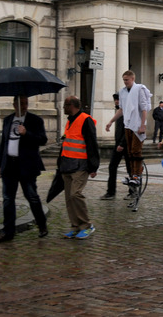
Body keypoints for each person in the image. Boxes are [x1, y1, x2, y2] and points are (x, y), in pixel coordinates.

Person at [0, 95, 48, 243]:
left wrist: (26, 133)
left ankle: (42, 225)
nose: (24, 106)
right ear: (14, 105)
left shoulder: (35, 120)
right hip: (9, 165)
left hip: (26, 166)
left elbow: (42, 140)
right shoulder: (7, 120)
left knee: (32, 196)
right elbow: (4, 143)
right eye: (21, 103)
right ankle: (8, 232)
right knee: (7, 199)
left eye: (26, 103)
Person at [60, 96, 100, 239]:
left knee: (75, 194)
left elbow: (92, 143)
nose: (64, 107)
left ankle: (87, 226)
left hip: (80, 165)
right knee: (69, 198)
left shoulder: (85, 120)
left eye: (66, 104)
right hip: (67, 164)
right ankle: (75, 226)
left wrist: (93, 167)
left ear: (73, 105)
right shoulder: (69, 121)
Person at [106, 70, 152, 187]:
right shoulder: (122, 92)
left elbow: (144, 108)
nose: (125, 82)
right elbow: (121, 109)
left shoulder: (139, 89)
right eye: (124, 80)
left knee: (136, 151)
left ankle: (137, 175)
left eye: (127, 80)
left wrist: (143, 125)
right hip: (127, 124)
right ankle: (132, 175)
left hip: (137, 124)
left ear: (132, 79)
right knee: (130, 151)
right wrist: (111, 121)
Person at [101, 93, 130, 201]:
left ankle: (132, 191)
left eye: (118, 100)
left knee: (130, 169)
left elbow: (128, 129)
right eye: (115, 100)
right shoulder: (120, 112)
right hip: (118, 144)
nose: (116, 101)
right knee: (112, 167)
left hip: (126, 145)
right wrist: (110, 122)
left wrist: (122, 144)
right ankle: (111, 192)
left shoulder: (127, 112)